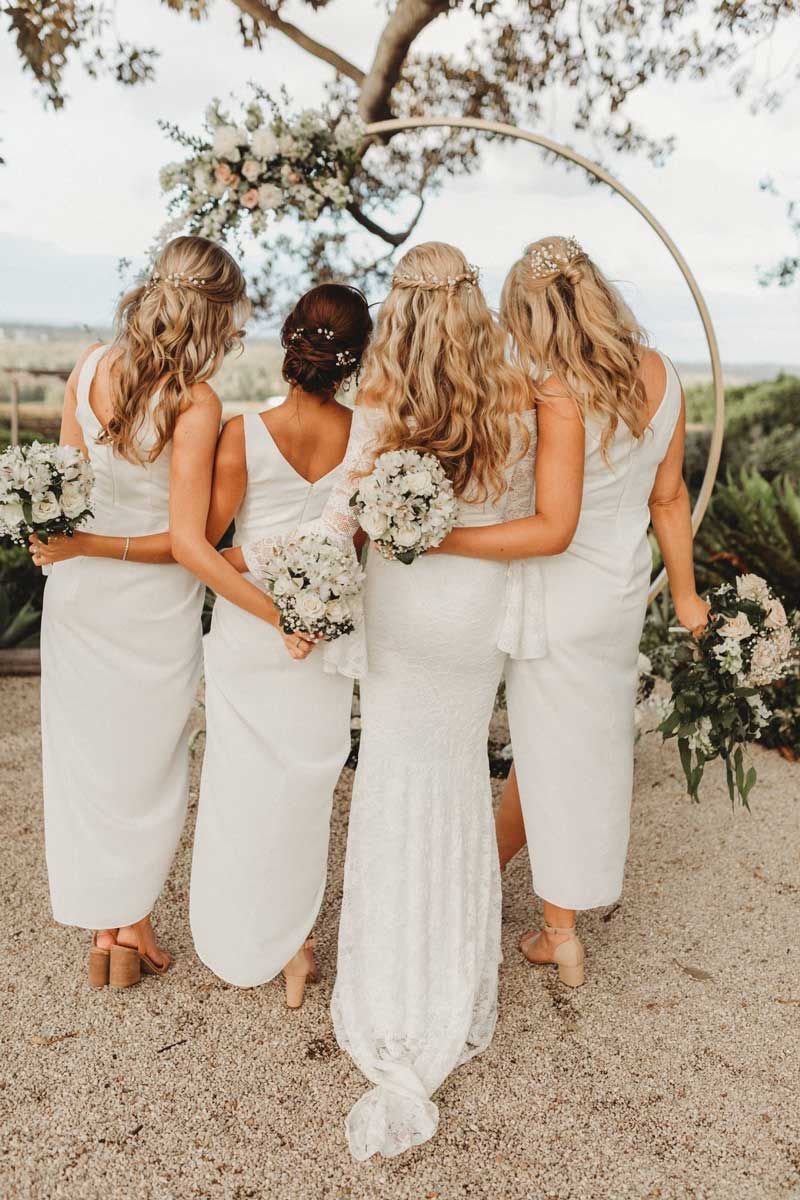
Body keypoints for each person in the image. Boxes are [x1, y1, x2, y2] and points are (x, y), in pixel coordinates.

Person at [242, 242, 542, 1159]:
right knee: (453, 780)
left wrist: (302, 599)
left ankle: (391, 985)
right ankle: (450, 974)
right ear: (473, 303)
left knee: (393, 785)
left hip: (407, 610)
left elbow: (342, 514)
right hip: (471, 614)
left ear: (403, 313)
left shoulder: (383, 398)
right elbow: (531, 520)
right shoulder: (515, 396)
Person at [432, 236, 709, 987]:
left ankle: (560, 931)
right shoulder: (665, 376)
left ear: (533, 314)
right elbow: (669, 498)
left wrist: (440, 538)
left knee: (554, 750)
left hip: (555, 593)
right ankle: (489, 877)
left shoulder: (555, 390)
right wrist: (684, 596)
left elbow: (547, 519)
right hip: (619, 595)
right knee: (567, 747)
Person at [34, 235, 262, 988]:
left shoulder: (91, 363)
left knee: (90, 766)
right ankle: (127, 924)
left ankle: (114, 930)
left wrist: (65, 544)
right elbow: (188, 544)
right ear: (215, 312)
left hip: (78, 597)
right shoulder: (195, 402)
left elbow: (61, 498)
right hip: (148, 607)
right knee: (145, 769)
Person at [189, 284, 372, 1007]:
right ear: (354, 359)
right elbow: (351, 541)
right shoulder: (366, 438)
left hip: (250, 630)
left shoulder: (240, 436)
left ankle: (244, 932)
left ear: (291, 339)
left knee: (241, 785)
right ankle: (297, 947)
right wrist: (307, 583)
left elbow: (204, 549)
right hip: (320, 637)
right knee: (305, 790)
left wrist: (267, 587)